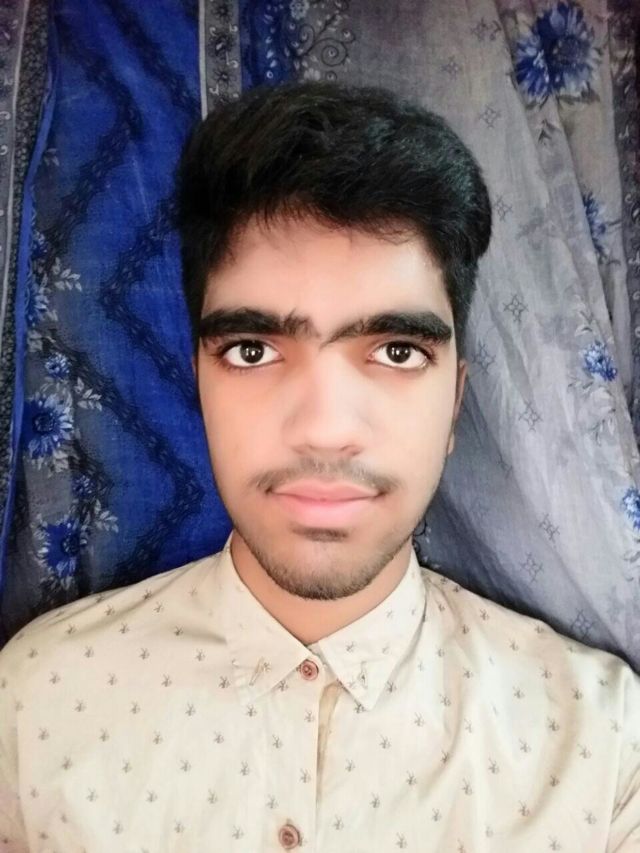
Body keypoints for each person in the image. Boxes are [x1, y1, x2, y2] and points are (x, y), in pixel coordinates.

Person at [0, 80, 638, 853]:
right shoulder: (31, 710)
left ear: (455, 402)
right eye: (253, 350)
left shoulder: (604, 751)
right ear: (198, 385)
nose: (326, 430)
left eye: (396, 351)